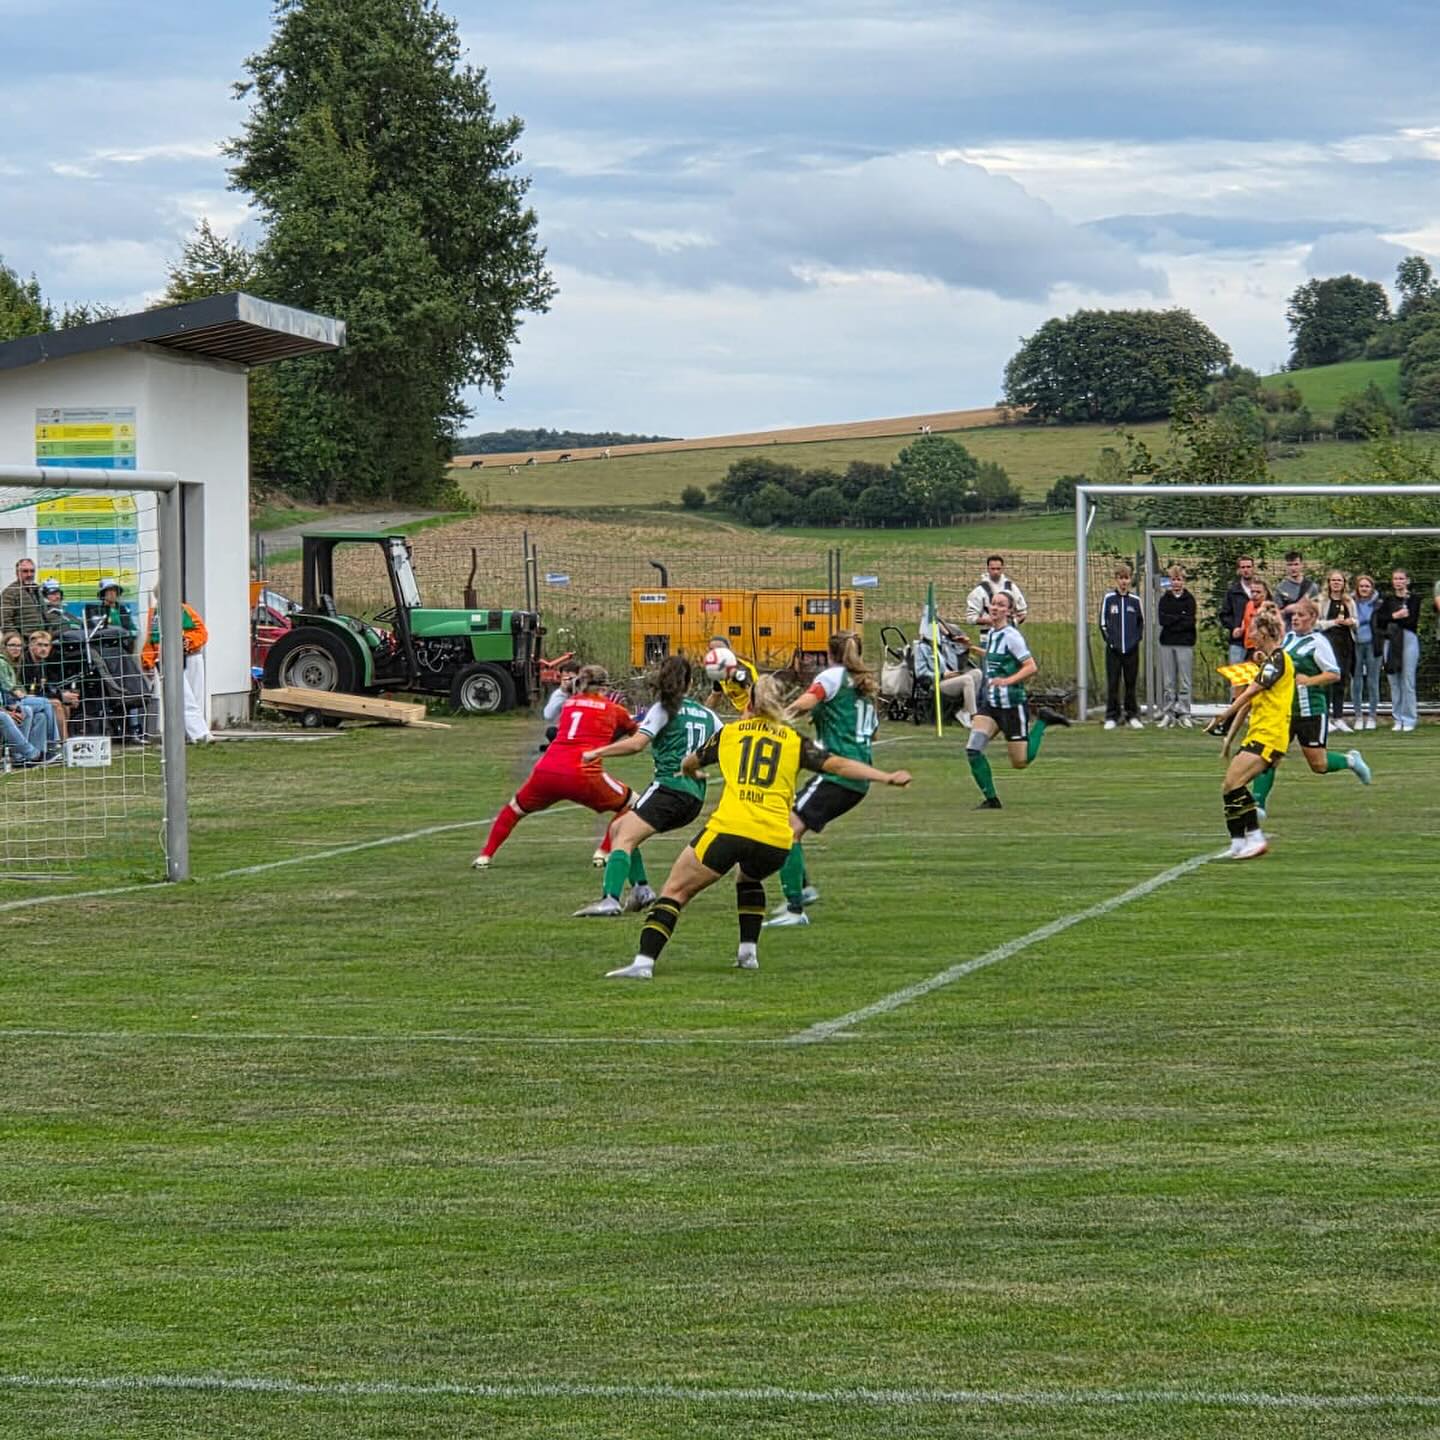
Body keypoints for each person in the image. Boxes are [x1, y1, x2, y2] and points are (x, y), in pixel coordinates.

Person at [604, 676, 912, 980]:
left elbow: (689, 762)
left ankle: (643, 962)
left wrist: (692, 772)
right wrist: (885, 777)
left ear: (749, 704)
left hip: (730, 829)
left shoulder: (730, 734)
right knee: (749, 877)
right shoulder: (793, 741)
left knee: (675, 891)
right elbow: (839, 765)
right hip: (775, 840)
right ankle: (747, 953)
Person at [572, 656, 721, 917]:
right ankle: (641, 889)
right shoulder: (708, 715)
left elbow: (637, 744)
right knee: (618, 828)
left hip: (669, 789)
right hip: (694, 799)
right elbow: (725, 745)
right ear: (689, 683)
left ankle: (610, 900)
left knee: (624, 836)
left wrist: (597, 752)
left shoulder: (664, 708)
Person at [765, 630, 879, 928]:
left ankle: (795, 908)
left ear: (830, 654)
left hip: (838, 774)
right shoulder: (864, 685)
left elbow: (805, 702)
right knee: (790, 825)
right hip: (857, 775)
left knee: (786, 829)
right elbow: (872, 733)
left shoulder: (832, 677)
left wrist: (775, 719)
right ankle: (802, 888)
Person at [472, 665, 636, 869]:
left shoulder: (569, 704)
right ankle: (603, 852)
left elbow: (570, 718)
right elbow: (636, 735)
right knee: (634, 804)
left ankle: (485, 856)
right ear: (604, 687)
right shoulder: (615, 710)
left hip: (547, 769)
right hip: (583, 773)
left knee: (515, 808)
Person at [1251, 597, 1371, 818]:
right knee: (1269, 756)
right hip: (1285, 711)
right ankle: (1257, 804)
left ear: (1313, 618)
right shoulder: (1287, 639)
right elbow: (1278, 665)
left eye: (1301, 615)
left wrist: (1309, 680)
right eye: (1294, 615)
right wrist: (1263, 659)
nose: (1295, 619)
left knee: (1319, 765)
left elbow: (1334, 673)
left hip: (1311, 711)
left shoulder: (1319, 642)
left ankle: (1351, 760)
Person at [961, 590, 1069, 809]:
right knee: (973, 750)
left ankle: (1043, 721)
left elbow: (1031, 666)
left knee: (1020, 762)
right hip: (991, 706)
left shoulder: (1012, 637)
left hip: (1011, 705)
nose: (995, 608)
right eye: (993, 604)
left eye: (1001, 605)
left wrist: (1007, 681)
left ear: (1009, 611)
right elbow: (993, 657)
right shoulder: (993, 633)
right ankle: (991, 799)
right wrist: (970, 647)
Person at [1205, 603, 1291, 860]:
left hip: (1270, 735)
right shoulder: (1265, 663)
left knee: (1235, 783)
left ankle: (1255, 837)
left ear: (1264, 632)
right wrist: (1229, 739)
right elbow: (1249, 703)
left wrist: (1224, 714)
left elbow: (1250, 692)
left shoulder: (1279, 660)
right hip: (1258, 734)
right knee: (1229, 786)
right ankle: (1238, 842)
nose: (1250, 634)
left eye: (1254, 629)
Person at [141, 588, 210, 742]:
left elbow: (201, 632)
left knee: (195, 697)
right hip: (168, 660)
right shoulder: (155, 614)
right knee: (185, 697)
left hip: (191, 656)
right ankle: (199, 734)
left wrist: (188, 641)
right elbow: (151, 640)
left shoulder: (184, 610)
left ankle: (189, 734)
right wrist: (148, 661)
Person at [0, 631, 55, 766]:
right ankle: (53, 745)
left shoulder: (14, 662)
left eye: (19, 646)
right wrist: (18, 695)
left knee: (38, 715)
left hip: (12, 701)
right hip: (10, 700)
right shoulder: (2, 661)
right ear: (4, 646)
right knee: (46, 703)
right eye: (12, 645)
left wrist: (23, 694)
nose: (16, 648)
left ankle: (31, 756)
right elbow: (8, 686)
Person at [1099, 565, 1144, 730]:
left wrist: (1135, 641)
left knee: (1130, 683)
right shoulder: (1109, 599)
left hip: (1131, 650)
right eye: (1121, 578)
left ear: (1130, 580)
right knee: (1113, 683)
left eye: (1126, 578)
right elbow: (1103, 623)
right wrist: (1111, 642)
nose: (1124, 582)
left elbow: (1140, 623)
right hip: (1114, 650)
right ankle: (1112, 716)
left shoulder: (1135, 600)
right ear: (1116, 580)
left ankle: (1132, 715)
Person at [1376, 569, 1420, 731]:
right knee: (1393, 680)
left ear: (1407, 581)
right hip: (1390, 640)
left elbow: (1411, 621)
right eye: (1396, 579)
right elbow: (1380, 621)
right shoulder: (1387, 600)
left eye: (1401, 578)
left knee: (1407, 680)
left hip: (1408, 639)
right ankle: (1398, 718)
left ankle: (1409, 719)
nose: (1398, 581)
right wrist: (1395, 616)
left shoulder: (1414, 599)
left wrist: (1394, 618)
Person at [20, 631, 79, 744]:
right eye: (39, 645)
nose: (43, 649)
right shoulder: (24, 662)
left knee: (66, 705)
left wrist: (64, 695)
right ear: (31, 646)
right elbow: (31, 691)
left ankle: (64, 742)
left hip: (36, 697)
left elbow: (47, 686)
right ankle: (62, 744)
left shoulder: (43, 663)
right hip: (23, 698)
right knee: (56, 704)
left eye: (46, 645)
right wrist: (60, 696)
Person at [1314, 571, 1356, 733]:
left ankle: (1338, 717)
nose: (1336, 583)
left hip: (1345, 644)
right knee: (1327, 679)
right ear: (1329, 582)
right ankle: (1325, 718)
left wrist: (1351, 622)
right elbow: (1316, 623)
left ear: (1344, 583)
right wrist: (1333, 622)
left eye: (1339, 580)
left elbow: (1357, 621)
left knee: (1342, 679)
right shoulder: (1322, 600)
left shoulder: (1349, 601)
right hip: (1328, 644)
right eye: (1333, 580)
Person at [1156, 564, 1196, 728]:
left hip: (1185, 643)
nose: (1176, 583)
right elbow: (1163, 620)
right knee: (1169, 682)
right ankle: (1168, 713)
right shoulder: (1164, 599)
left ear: (1183, 581)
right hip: (1167, 643)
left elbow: (1189, 622)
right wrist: (1179, 617)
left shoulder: (1189, 599)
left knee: (1185, 681)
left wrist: (1174, 620)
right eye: (1173, 579)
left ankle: (1185, 713)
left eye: (1179, 579)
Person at [1350, 574, 1382, 730]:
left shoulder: (1379, 604)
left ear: (1372, 588)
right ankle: (1358, 716)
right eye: (1361, 586)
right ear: (1357, 587)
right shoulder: (1350, 602)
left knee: (1372, 681)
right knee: (1356, 681)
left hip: (1373, 644)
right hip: (1355, 644)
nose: (1364, 589)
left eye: (1367, 586)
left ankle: (1372, 716)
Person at [964, 555, 1028, 632]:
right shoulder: (979, 591)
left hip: (1010, 633)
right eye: (993, 569)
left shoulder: (1011, 587)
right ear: (988, 569)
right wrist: (989, 621)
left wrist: (1012, 623)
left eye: (998, 569)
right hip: (987, 634)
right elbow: (970, 618)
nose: (996, 572)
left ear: (1003, 569)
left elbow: (1022, 613)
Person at [1219, 555, 1259, 666]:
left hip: (1257, 642)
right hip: (1238, 642)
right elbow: (1224, 615)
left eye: (1248, 567)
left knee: (1257, 674)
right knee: (1236, 674)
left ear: (1253, 568)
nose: (1246, 570)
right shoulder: (1233, 592)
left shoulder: (1261, 590)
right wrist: (1234, 627)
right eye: (1243, 567)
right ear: (1239, 570)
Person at [0, 557, 44, 640]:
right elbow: (5, 622)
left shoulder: (37, 590)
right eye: (25, 571)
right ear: (17, 573)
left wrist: (48, 636)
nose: (29, 574)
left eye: (32, 571)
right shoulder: (10, 592)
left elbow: (45, 615)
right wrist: (18, 641)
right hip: (24, 641)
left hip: (41, 640)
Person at [1275, 550, 1319, 631]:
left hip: (1308, 631)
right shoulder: (1280, 588)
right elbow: (1275, 616)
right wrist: (1287, 610)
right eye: (1290, 565)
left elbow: (1318, 613)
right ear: (1286, 566)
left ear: (1301, 565)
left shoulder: (1312, 587)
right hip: (1288, 632)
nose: (1293, 568)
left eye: (1296, 564)